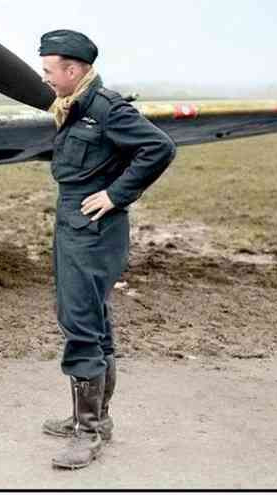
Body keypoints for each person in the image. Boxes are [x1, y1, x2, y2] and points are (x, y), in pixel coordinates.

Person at [38, 30, 176, 468]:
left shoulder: (106, 108)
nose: (44, 78)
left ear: (73, 70)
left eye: (49, 70)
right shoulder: (76, 106)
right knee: (90, 320)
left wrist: (116, 194)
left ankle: (88, 432)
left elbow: (159, 147)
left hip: (93, 233)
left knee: (82, 325)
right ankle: (99, 417)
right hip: (74, 227)